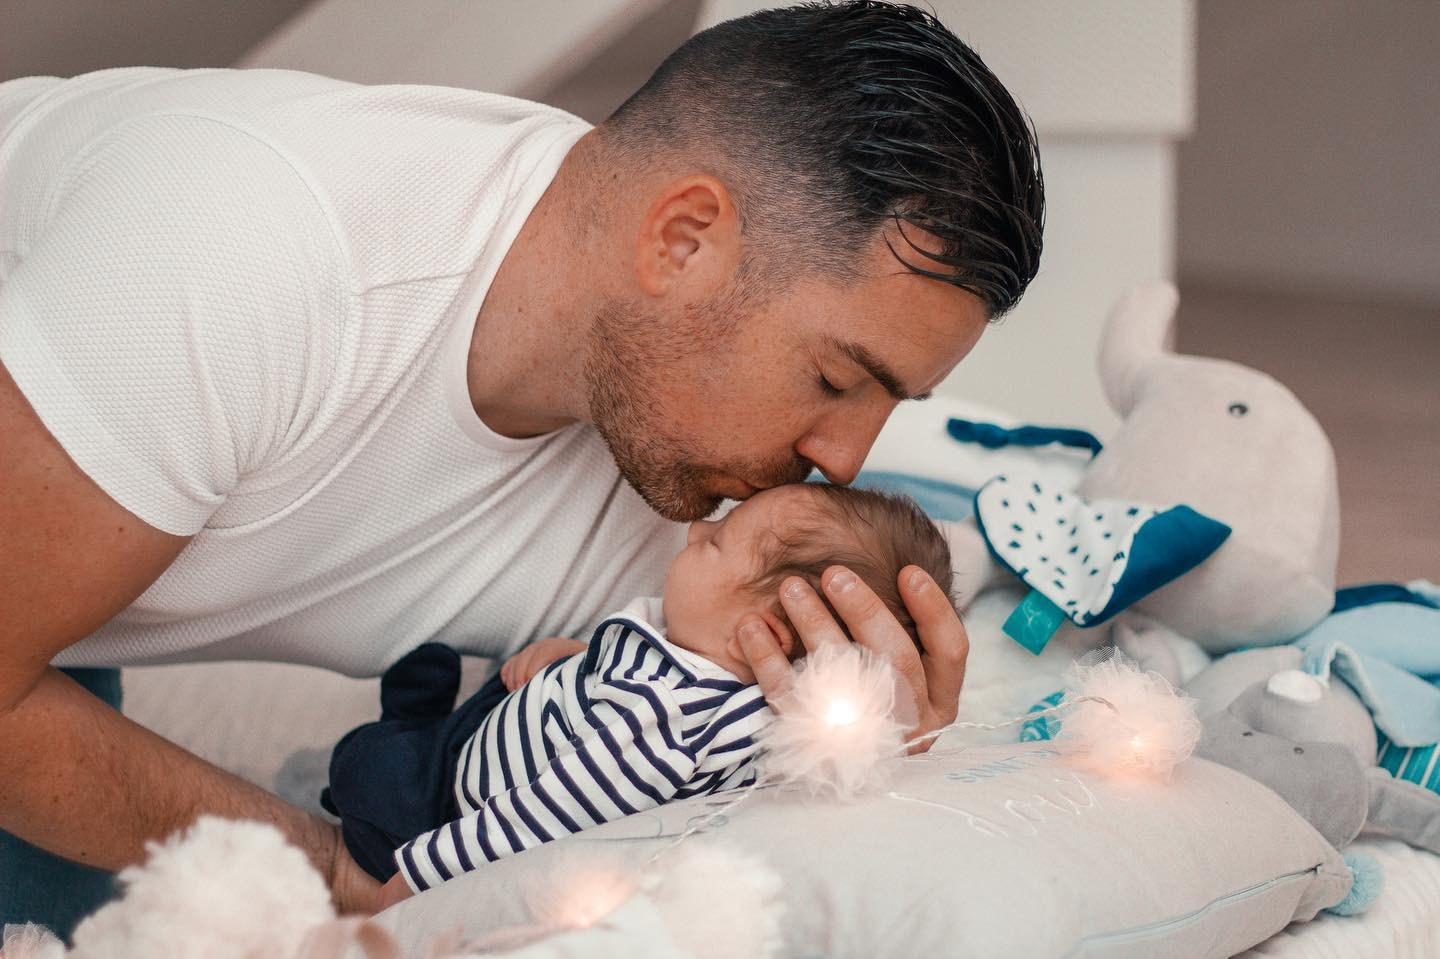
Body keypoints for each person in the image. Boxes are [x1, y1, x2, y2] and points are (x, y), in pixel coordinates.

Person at [0, 0, 1042, 931]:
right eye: (832, 377)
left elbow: (656, 788)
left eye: (889, 402)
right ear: (683, 239)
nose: (843, 458)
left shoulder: (694, 501)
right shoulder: (249, 253)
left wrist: (847, 755)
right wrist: (326, 861)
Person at [320, 483, 956, 907]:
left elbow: (546, 815)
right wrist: (575, 659)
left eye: (718, 542)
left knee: (366, 768)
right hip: (515, 730)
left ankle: (406, 725)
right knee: (501, 686)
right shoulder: (693, 658)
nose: (693, 533)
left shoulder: (667, 722)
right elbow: (621, 671)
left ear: (763, 632)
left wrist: (416, 883)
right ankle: (432, 716)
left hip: (451, 808)